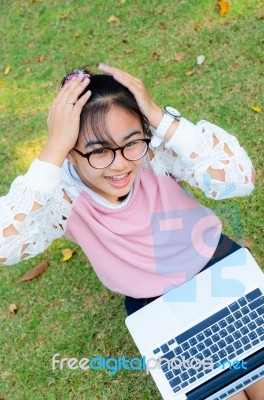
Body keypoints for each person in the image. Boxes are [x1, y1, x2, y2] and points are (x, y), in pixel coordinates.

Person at [0, 64, 262, 399]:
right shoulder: (62, 194)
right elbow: (5, 244)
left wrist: (159, 118)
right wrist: (52, 150)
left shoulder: (153, 155)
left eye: (130, 143)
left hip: (217, 267)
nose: (120, 163)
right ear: (70, 152)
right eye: (98, 152)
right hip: (155, 306)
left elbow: (239, 179)